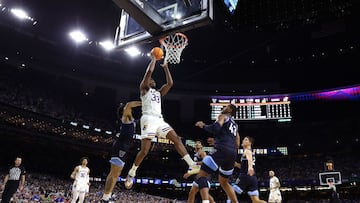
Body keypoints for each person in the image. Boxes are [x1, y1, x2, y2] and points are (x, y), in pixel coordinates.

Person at [125, 53, 196, 189]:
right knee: (145, 150)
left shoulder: (159, 93)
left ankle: (192, 165)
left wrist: (165, 68)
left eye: (153, 80)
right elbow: (149, 71)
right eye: (150, 80)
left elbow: (170, 83)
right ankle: (132, 171)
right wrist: (153, 59)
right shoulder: (144, 89)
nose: (152, 80)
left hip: (159, 120)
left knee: (177, 139)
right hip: (148, 119)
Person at [193, 104, 240, 203]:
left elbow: (216, 128)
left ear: (230, 110)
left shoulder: (223, 116)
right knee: (224, 183)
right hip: (232, 154)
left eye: (226, 107)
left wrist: (204, 126)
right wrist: (217, 141)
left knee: (201, 177)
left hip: (221, 149)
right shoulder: (235, 125)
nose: (223, 108)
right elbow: (237, 143)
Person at [101, 101, 141, 202]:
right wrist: (145, 102)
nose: (131, 110)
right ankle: (104, 198)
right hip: (120, 147)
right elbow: (129, 105)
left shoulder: (132, 121)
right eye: (128, 109)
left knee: (116, 174)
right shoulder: (125, 118)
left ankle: (108, 196)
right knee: (114, 173)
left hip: (124, 148)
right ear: (124, 111)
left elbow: (142, 119)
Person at [232, 136, 266, 203]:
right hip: (253, 177)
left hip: (245, 175)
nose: (243, 140)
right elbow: (245, 164)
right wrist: (236, 165)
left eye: (246, 139)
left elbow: (249, 158)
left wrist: (250, 167)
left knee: (231, 192)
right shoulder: (250, 152)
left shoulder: (247, 150)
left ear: (249, 143)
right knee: (256, 200)